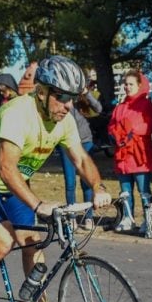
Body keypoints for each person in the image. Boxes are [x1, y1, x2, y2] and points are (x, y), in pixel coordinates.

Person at [0, 55, 112, 302]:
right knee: (3, 241)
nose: (68, 105)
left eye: (72, 98)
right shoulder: (17, 113)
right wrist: (38, 205)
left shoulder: (64, 119)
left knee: (33, 242)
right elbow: (6, 168)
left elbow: (81, 160)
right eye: (62, 97)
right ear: (42, 92)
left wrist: (99, 187)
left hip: (11, 184)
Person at [107, 68, 152, 234]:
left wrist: (130, 132)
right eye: (125, 84)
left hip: (139, 155)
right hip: (123, 156)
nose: (127, 87)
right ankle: (128, 217)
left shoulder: (147, 105)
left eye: (130, 84)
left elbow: (149, 126)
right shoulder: (120, 107)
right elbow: (112, 125)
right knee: (125, 191)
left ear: (139, 85)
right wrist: (115, 134)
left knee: (144, 191)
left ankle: (148, 219)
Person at [56, 90, 100, 230]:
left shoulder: (84, 98)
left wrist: (86, 93)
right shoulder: (64, 96)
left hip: (85, 141)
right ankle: (72, 217)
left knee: (87, 181)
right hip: (66, 143)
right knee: (70, 182)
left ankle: (88, 217)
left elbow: (98, 109)